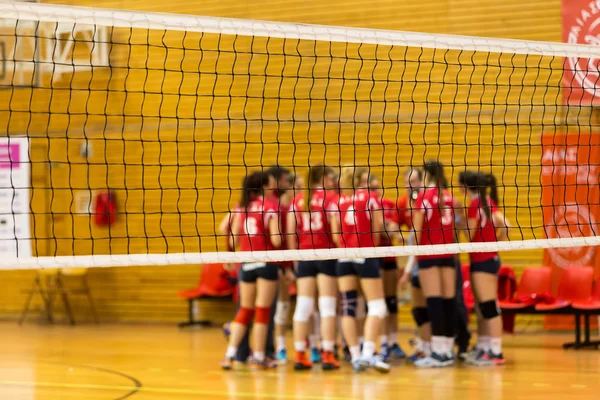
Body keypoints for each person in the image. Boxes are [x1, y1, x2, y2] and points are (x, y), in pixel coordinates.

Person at [331, 166, 390, 373]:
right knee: (377, 306)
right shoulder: (371, 198)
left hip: (344, 257)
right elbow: (377, 229)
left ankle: (356, 356)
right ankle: (368, 354)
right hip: (365, 254)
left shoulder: (337, 201)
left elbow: (335, 235)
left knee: (348, 307)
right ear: (360, 179)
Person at [221, 171, 281, 370]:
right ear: (264, 186)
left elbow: (232, 239)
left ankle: (229, 355)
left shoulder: (242, 208)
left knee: (245, 310)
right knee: (262, 311)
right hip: (265, 262)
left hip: (246, 263)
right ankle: (260, 356)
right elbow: (277, 240)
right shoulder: (270, 208)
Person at [287, 165, 341, 371]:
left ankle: (300, 354)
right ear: (324, 178)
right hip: (326, 254)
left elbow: (291, 233)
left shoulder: (297, 201)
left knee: (303, 306)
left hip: (304, 257)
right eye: (331, 176)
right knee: (327, 306)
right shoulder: (331, 200)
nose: (334, 180)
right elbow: (336, 233)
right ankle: (327, 353)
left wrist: (294, 260)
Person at [458, 170, 509, 366]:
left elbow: (469, 235)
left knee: (489, 306)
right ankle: (484, 347)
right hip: (486, 258)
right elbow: (507, 225)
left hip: (484, 260)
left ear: (464, 186)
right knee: (482, 307)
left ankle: (495, 352)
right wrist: (495, 242)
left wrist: (460, 221)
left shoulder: (474, 204)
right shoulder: (487, 200)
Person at [412, 160, 457, 368]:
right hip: (448, 253)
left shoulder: (424, 197)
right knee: (448, 301)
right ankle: (447, 350)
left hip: (429, 254)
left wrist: (409, 253)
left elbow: (417, 230)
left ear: (426, 175)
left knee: (434, 302)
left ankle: (438, 353)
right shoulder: (449, 196)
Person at [368, 174, 406, 360]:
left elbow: (394, 226)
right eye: (372, 187)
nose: (376, 190)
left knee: (392, 303)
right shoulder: (366, 206)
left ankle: (393, 341)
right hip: (374, 258)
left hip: (390, 258)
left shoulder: (389, 204)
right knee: (379, 303)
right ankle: (383, 343)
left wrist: (394, 230)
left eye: (377, 187)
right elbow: (381, 227)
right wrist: (388, 228)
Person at [397, 168, 432, 363]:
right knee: (421, 309)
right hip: (418, 260)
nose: (411, 185)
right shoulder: (403, 204)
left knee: (429, 307)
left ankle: (431, 348)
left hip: (426, 262)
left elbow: (417, 240)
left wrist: (407, 271)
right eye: (408, 182)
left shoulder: (427, 202)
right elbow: (406, 234)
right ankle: (426, 346)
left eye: (415, 181)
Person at [265, 165, 295, 364]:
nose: (287, 184)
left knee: (267, 307)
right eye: (285, 180)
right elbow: (280, 240)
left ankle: (275, 348)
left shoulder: (257, 202)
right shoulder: (273, 205)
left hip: (268, 262)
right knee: (269, 307)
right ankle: (277, 347)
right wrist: (286, 266)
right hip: (272, 262)